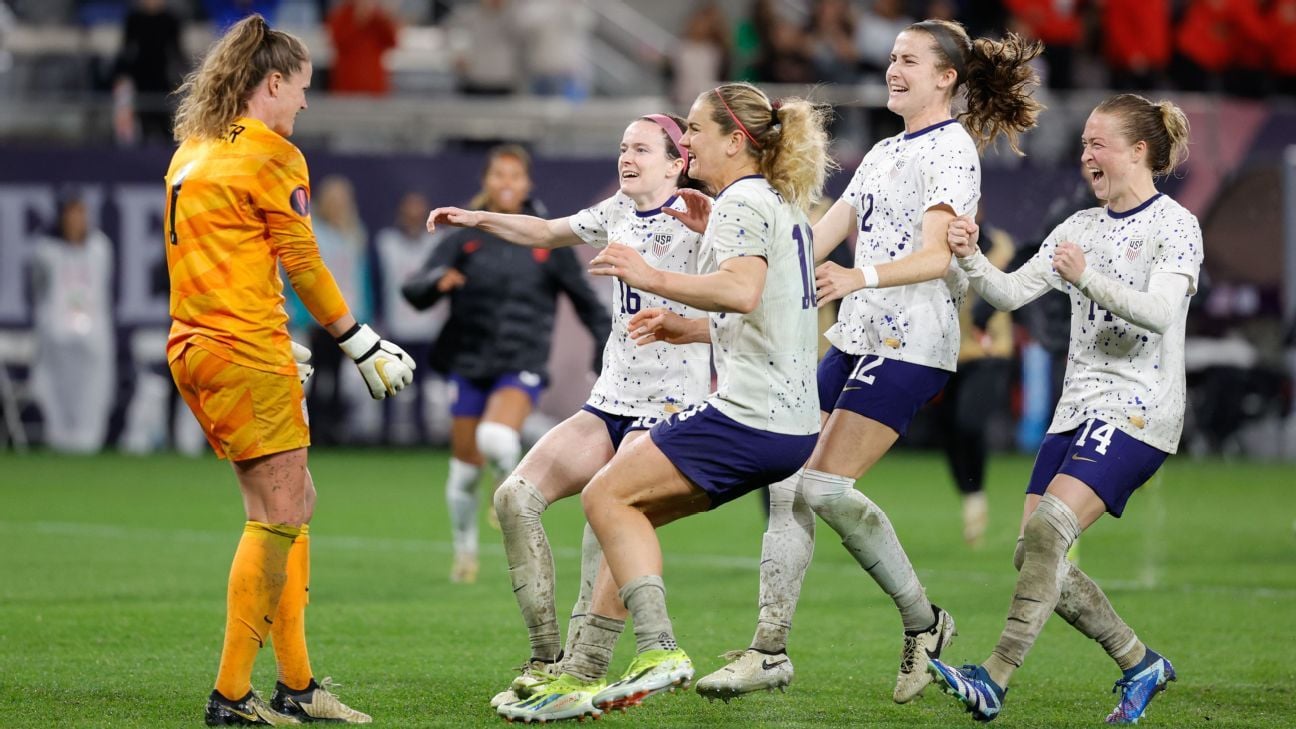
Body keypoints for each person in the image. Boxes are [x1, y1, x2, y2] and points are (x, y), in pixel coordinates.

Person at [694, 19, 1042, 704]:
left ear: (946, 77)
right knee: (788, 483)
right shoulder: (885, 150)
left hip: (912, 339)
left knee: (819, 487)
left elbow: (940, 257)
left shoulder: (953, 151)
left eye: (909, 60)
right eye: (891, 58)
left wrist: (860, 278)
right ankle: (769, 648)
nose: (893, 69)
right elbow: (821, 234)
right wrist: (752, 259)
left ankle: (926, 621)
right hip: (854, 336)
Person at [542, 82, 832, 718]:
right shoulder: (776, 201)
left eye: (696, 129)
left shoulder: (740, 202)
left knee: (604, 496)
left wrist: (652, 277)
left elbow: (741, 291)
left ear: (735, 141)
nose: (687, 139)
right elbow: (774, 313)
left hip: (749, 412)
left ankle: (660, 649)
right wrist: (689, 325)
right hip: (790, 420)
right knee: (631, 518)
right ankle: (580, 674)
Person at [165, 14, 415, 725]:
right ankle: (233, 694)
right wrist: (358, 339)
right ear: (272, 82)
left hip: (199, 344)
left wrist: (272, 339)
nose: (305, 102)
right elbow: (304, 261)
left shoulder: (192, 149)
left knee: (288, 504)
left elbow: (209, 255)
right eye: (302, 87)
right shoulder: (272, 153)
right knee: (279, 514)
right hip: (243, 346)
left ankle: (297, 684)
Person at [425, 114, 712, 722]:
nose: (626, 157)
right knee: (513, 498)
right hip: (609, 398)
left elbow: (747, 291)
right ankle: (544, 658)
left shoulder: (701, 216)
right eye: (622, 147)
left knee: (604, 519)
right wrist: (480, 218)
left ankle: (588, 667)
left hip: (666, 406)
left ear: (675, 161)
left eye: (640, 148)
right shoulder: (616, 211)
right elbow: (548, 229)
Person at [927, 93, 1201, 725]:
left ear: (1139, 151)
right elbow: (1008, 291)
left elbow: (1162, 314)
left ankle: (993, 679)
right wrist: (968, 253)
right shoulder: (1077, 229)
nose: (1086, 155)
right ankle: (1139, 662)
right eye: (1083, 144)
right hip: (1078, 407)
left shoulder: (1175, 226)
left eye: (1098, 142)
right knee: (1033, 553)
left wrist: (1087, 281)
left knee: (1050, 531)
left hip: (1141, 408)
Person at [402, 144, 611, 584]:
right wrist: (437, 282)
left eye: (515, 176)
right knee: (462, 471)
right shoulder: (464, 237)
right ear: (487, 181)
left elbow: (587, 302)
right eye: (499, 175)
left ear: (527, 183)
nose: (507, 184)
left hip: (522, 360)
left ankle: (508, 486)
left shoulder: (546, 241)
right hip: (468, 360)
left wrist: (603, 346)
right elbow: (415, 291)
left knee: (496, 438)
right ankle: (465, 553)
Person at [28, 192, 116, 454]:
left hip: (92, 340)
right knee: (56, 394)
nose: (77, 220)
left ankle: (89, 445)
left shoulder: (100, 249)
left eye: (81, 213)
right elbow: (39, 290)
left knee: (92, 395)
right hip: (57, 340)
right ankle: (59, 442)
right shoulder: (46, 252)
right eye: (71, 213)